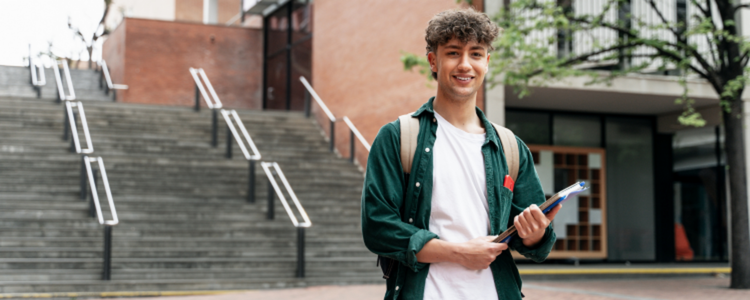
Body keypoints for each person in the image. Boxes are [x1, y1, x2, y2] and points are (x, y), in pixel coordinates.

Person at [361, 8, 561, 300]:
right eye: (453, 53)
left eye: (476, 54)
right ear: (433, 60)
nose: (465, 65)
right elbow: (378, 228)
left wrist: (535, 232)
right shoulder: (398, 137)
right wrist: (458, 253)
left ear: (487, 62)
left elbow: (535, 245)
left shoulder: (510, 147)